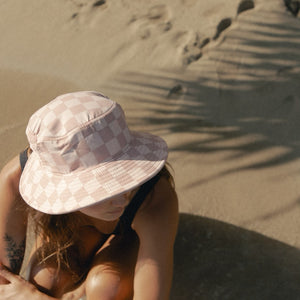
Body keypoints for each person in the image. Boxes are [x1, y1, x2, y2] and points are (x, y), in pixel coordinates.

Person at [0, 91, 178, 300]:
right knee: (46, 278)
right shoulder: (15, 179)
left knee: (107, 287)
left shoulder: (153, 199)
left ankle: (83, 288)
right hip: (72, 229)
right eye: (104, 188)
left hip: (129, 235)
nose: (122, 197)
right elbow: (4, 281)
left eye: (124, 178)